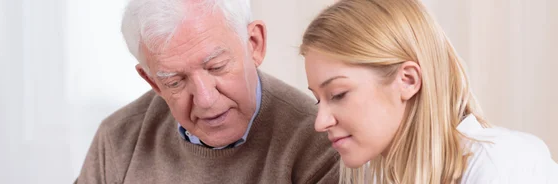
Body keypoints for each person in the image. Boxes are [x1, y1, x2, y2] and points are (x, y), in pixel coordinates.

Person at [74, 0, 339, 183]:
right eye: (175, 81)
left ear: (254, 44)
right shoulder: (118, 139)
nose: (205, 99)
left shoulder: (319, 141)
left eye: (217, 67)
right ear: (153, 82)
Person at [300, 0, 558, 183]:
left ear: (408, 80)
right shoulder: (373, 175)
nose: (321, 122)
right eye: (317, 100)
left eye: (338, 94)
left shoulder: (504, 167)